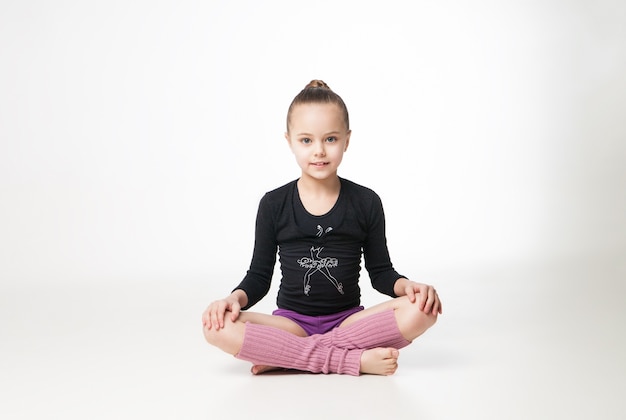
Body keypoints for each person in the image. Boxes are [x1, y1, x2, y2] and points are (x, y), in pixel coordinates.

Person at [202, 80, 442, 376]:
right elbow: (258, 277)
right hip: (290, 324)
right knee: (216, 327)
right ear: (289, 140)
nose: (319, 151)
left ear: (347, 140)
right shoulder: (274, 204)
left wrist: (409, 287)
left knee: (423, 310)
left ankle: (288, 356)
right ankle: (348, 360)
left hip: (348, 323)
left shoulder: (366, 202)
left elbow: (381, 273)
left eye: (330, 139)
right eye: (306, 140)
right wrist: (231, 300)